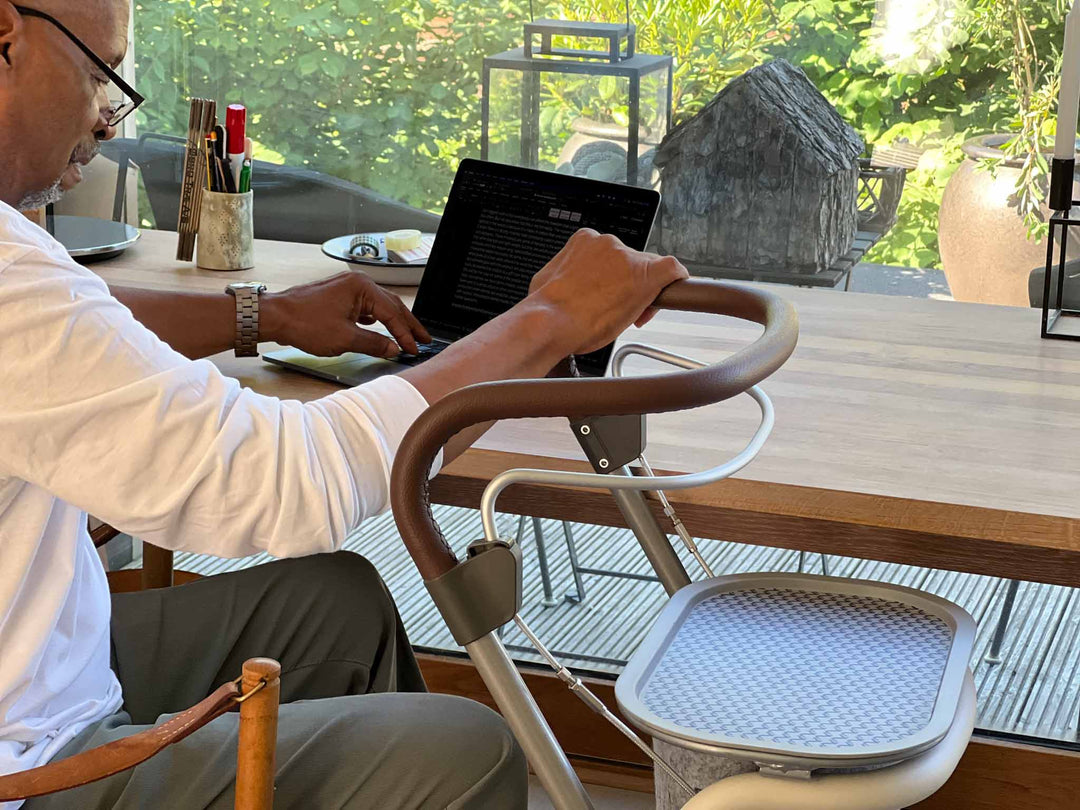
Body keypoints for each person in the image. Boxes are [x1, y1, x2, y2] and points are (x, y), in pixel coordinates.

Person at [0, 2, 689, 808]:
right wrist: (546, 323)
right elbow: (282, 484)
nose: (107, 120)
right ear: (7, 31)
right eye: (99, 76)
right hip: (30, 756)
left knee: (339, 601)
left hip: (39, 656)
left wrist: (270, 316)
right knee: (464, 749)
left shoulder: (21, 263)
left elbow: (70, 320)